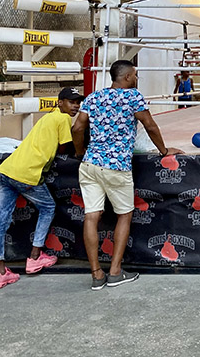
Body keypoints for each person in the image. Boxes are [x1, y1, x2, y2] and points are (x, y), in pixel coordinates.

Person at [72, 60, 182, 290]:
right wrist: (163, 151)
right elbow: (150, 126)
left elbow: (77, 128)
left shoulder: (93, 97)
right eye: (135, 75)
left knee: (91, 216)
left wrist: (80, 151)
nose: (136, 79)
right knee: (124, 215)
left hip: (90, 164)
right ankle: (115, 271)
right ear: (127, 77)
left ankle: (96, 274)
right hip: (117, 166)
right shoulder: (133, 97)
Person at [0, 87, 84, 289]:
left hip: (6, 171)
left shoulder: (48, 118)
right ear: (60, 103)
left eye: (78, 102)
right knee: (48, 207)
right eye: (71, 101)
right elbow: (66, 146)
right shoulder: (64, 119)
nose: (75, 105)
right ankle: (34, 256)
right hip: (27, 174)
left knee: (0, 221)